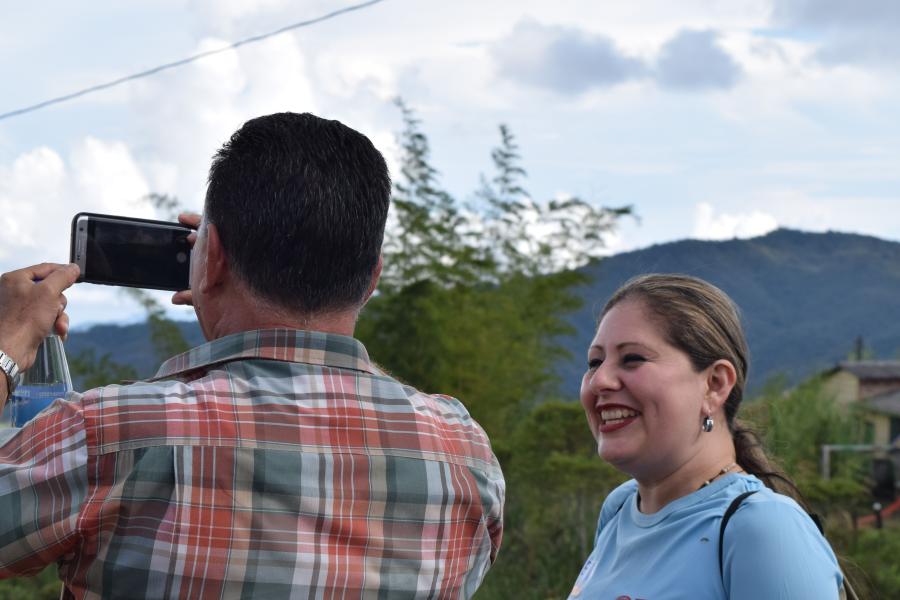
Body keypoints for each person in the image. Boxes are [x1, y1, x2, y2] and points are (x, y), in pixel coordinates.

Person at [0, 112, 504, 598]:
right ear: (371, 277)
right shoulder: (463, 452)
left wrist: (5, 349)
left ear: (212, 256)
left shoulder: (107, 433)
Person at [569, 273, 846, 599]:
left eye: (632, 358)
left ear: (715, 384)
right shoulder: (620, 508)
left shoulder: (765, 530)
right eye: (595, 362)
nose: (600, 381)